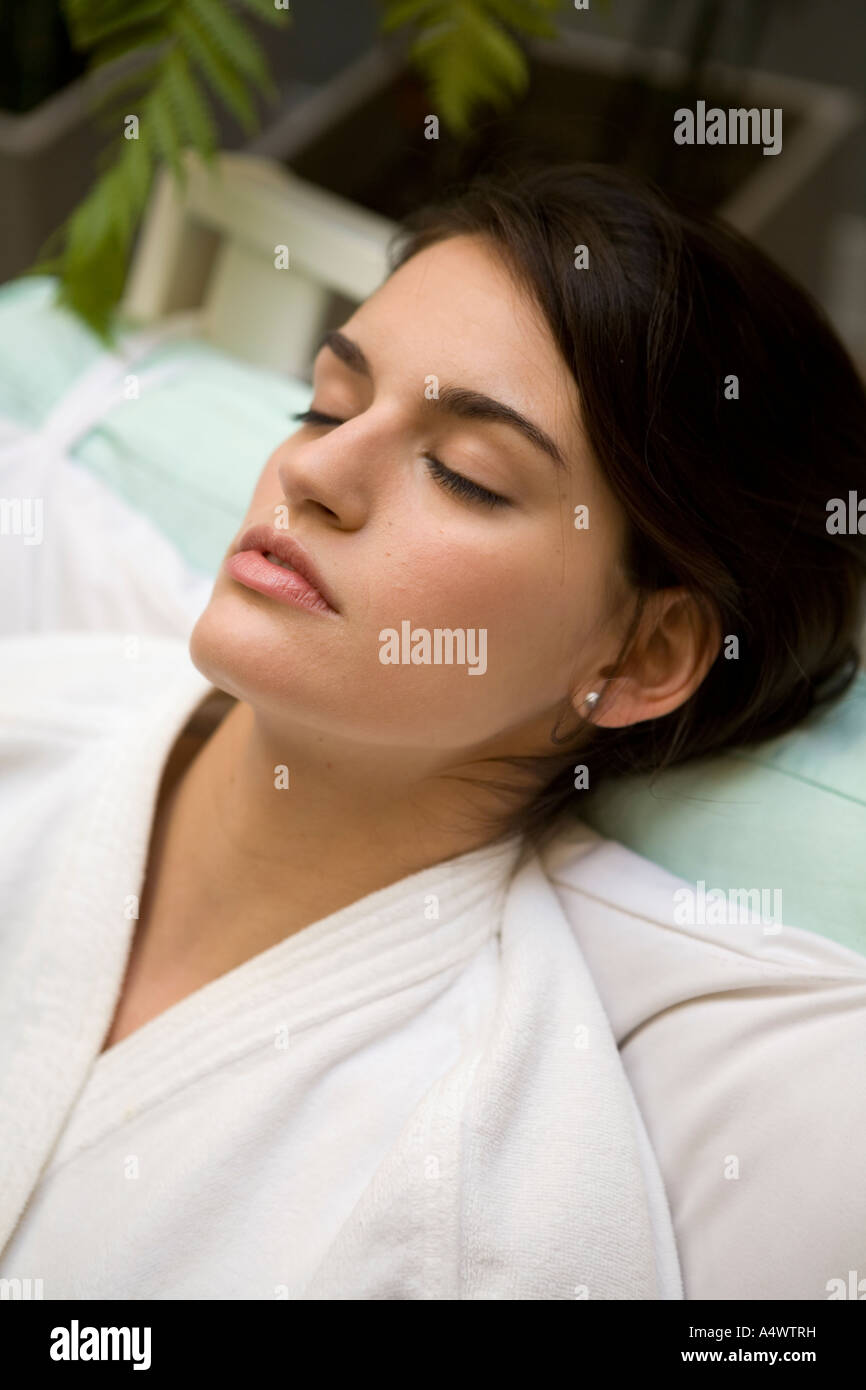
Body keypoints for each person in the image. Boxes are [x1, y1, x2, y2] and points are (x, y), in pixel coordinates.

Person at [1, 162, 864, 1300]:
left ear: (640, 656)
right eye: (327, 404)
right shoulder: (31, 715)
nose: (314, 469)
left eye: (464, 475)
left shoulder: (488, 1223)